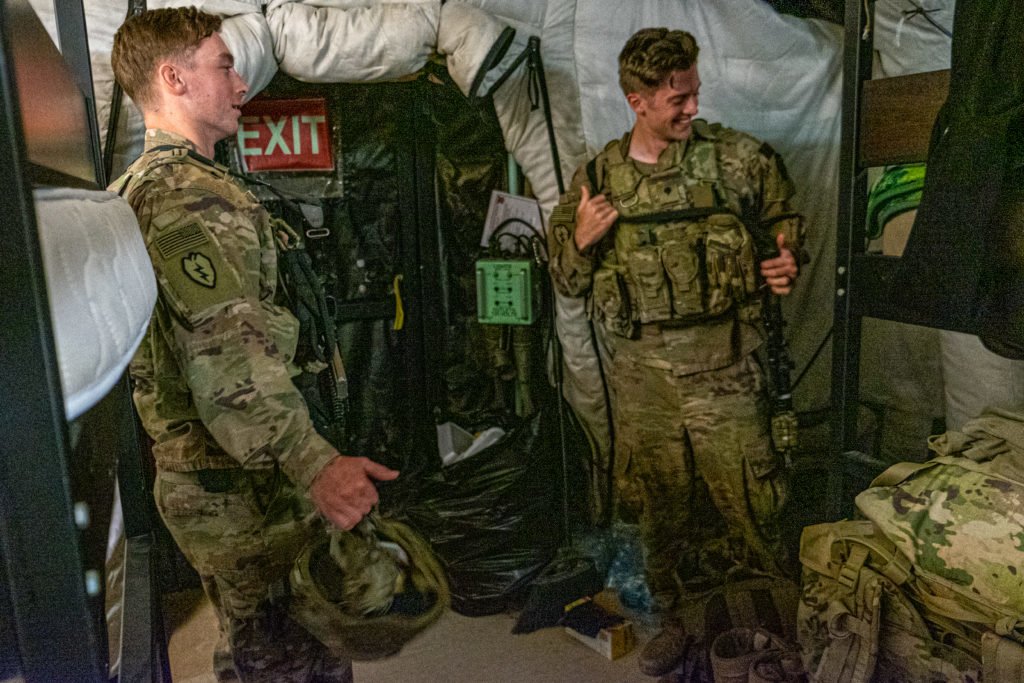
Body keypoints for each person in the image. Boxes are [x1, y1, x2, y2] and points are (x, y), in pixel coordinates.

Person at [109, 8, 399, 682]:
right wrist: (318, 465)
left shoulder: (146, 188)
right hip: (246, 491)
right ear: (173, 77)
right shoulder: (189, 199)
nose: (240, 83)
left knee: (260, 646)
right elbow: (228, 364)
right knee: (293, 656)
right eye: (223, 64)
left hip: (224, 481)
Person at [547, 27, 805, 677]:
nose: (692, 108)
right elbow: (566, 282)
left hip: (727, 365)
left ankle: (777, 629)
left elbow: (784, 218)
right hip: (643, 384)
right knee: (657, 512)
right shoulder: (599, 178)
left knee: (754, 503)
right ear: (636, 101)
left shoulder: (736, 161)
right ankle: (676, 624)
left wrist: (784, 255)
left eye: (694, 92)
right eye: (675, 99)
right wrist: (579, 240)